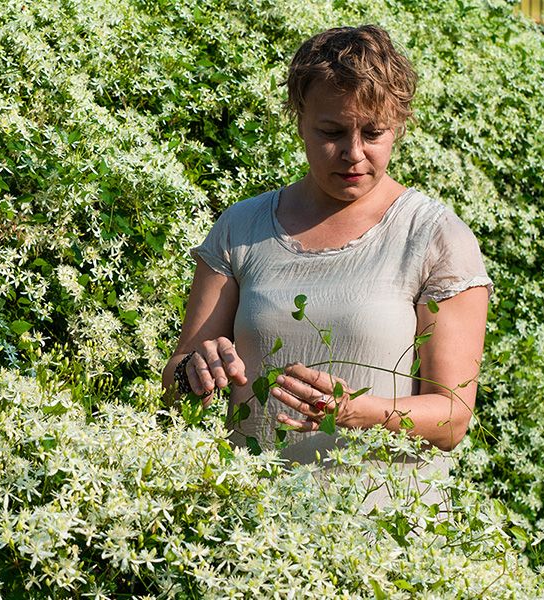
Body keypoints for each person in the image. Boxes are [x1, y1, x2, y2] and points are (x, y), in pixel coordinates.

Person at [164, 25, 492, 475]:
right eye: (332, 131)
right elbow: (176, 381)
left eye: (374, 133)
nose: (353, 153)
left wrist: (355, 410)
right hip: (252, 519)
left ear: (398, 126)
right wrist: (194, 372)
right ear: (299, 119)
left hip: (380, 528)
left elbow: (453, 419)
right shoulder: (241, 228)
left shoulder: (435, 237)